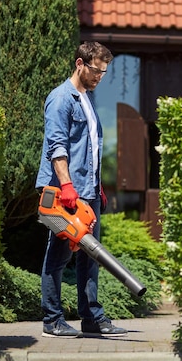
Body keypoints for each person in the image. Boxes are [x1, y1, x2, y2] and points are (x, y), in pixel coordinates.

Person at [36, 41, 126, 338]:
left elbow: (91, 149)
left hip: (87, 191)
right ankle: (52, 319)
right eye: (96, 70)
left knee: (92, 256)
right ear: (79, 63)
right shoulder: (61, 98)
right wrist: (67, 186)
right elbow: (57, 147)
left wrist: (95, 187)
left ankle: (92, 318)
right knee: (59, 254)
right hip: (65, 194)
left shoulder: (86, 98)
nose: (100, 76)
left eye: (103, 72)